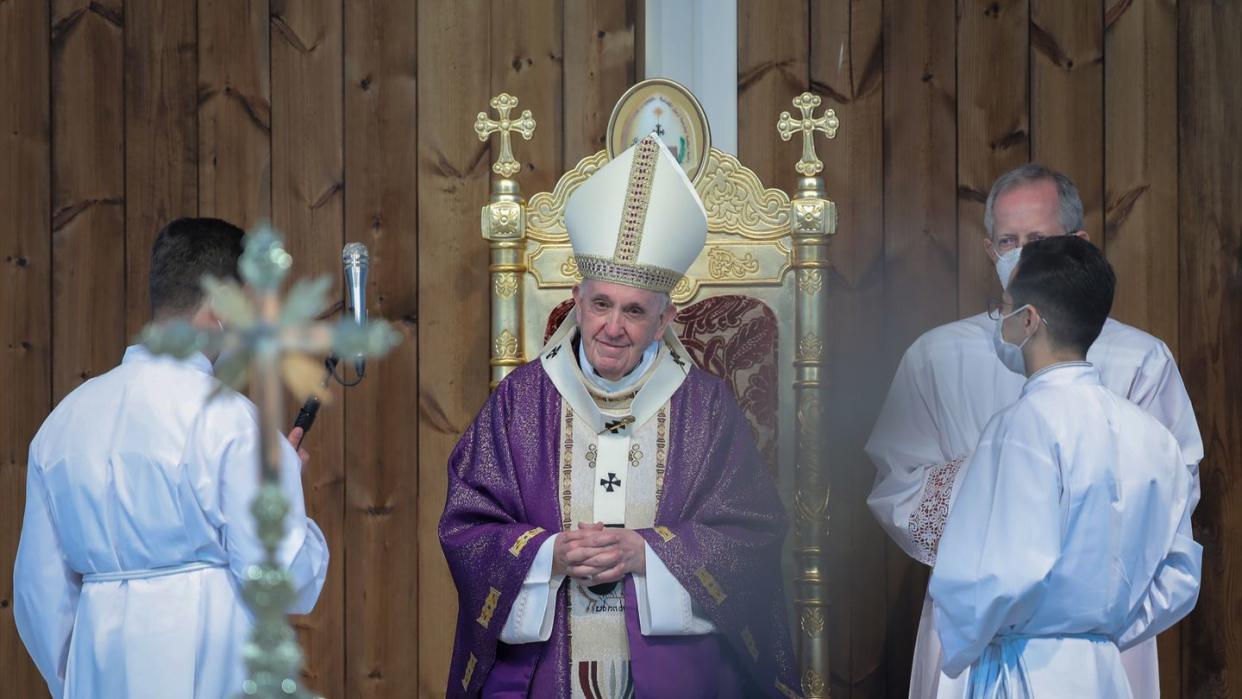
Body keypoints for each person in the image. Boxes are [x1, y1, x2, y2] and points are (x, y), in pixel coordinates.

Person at [439, 135, 799, 698]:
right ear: (578, 301)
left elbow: (751, 535)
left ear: (664, 321)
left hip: (673, 670)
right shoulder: (521, 402)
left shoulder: (704, 408)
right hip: (548, 662)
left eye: (634, 312)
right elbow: (467, 527)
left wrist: (649, 553)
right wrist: (543, 554)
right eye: (601, 304)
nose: (613, 327)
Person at [865, 163, 1203, 697]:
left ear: (1078, 245)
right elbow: (898, 485)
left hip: (994, 637)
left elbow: (1171, 513)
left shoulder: (1141, 360)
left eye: (1037, 240)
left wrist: (995, 493)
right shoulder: (936, 354)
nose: (1018, 254)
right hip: (1093, 653)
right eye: (1007, 240)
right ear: (988, 249)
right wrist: (1102, 626)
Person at [13, 218, 329, 698]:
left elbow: (39, 595)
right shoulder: (231, 421)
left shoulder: (63, 424)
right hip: (212, 666)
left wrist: (77, 681)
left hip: (98, 670)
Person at [928, 235, 1201, 696]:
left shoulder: (1020, 425)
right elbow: (1178, 576)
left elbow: (997, 575)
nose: (1002, 320)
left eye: (1005, 308)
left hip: (1025, 669)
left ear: (1029, 320)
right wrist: (1097, 633)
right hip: (1104, 671)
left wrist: (962, 637)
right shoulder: (1153, 436)